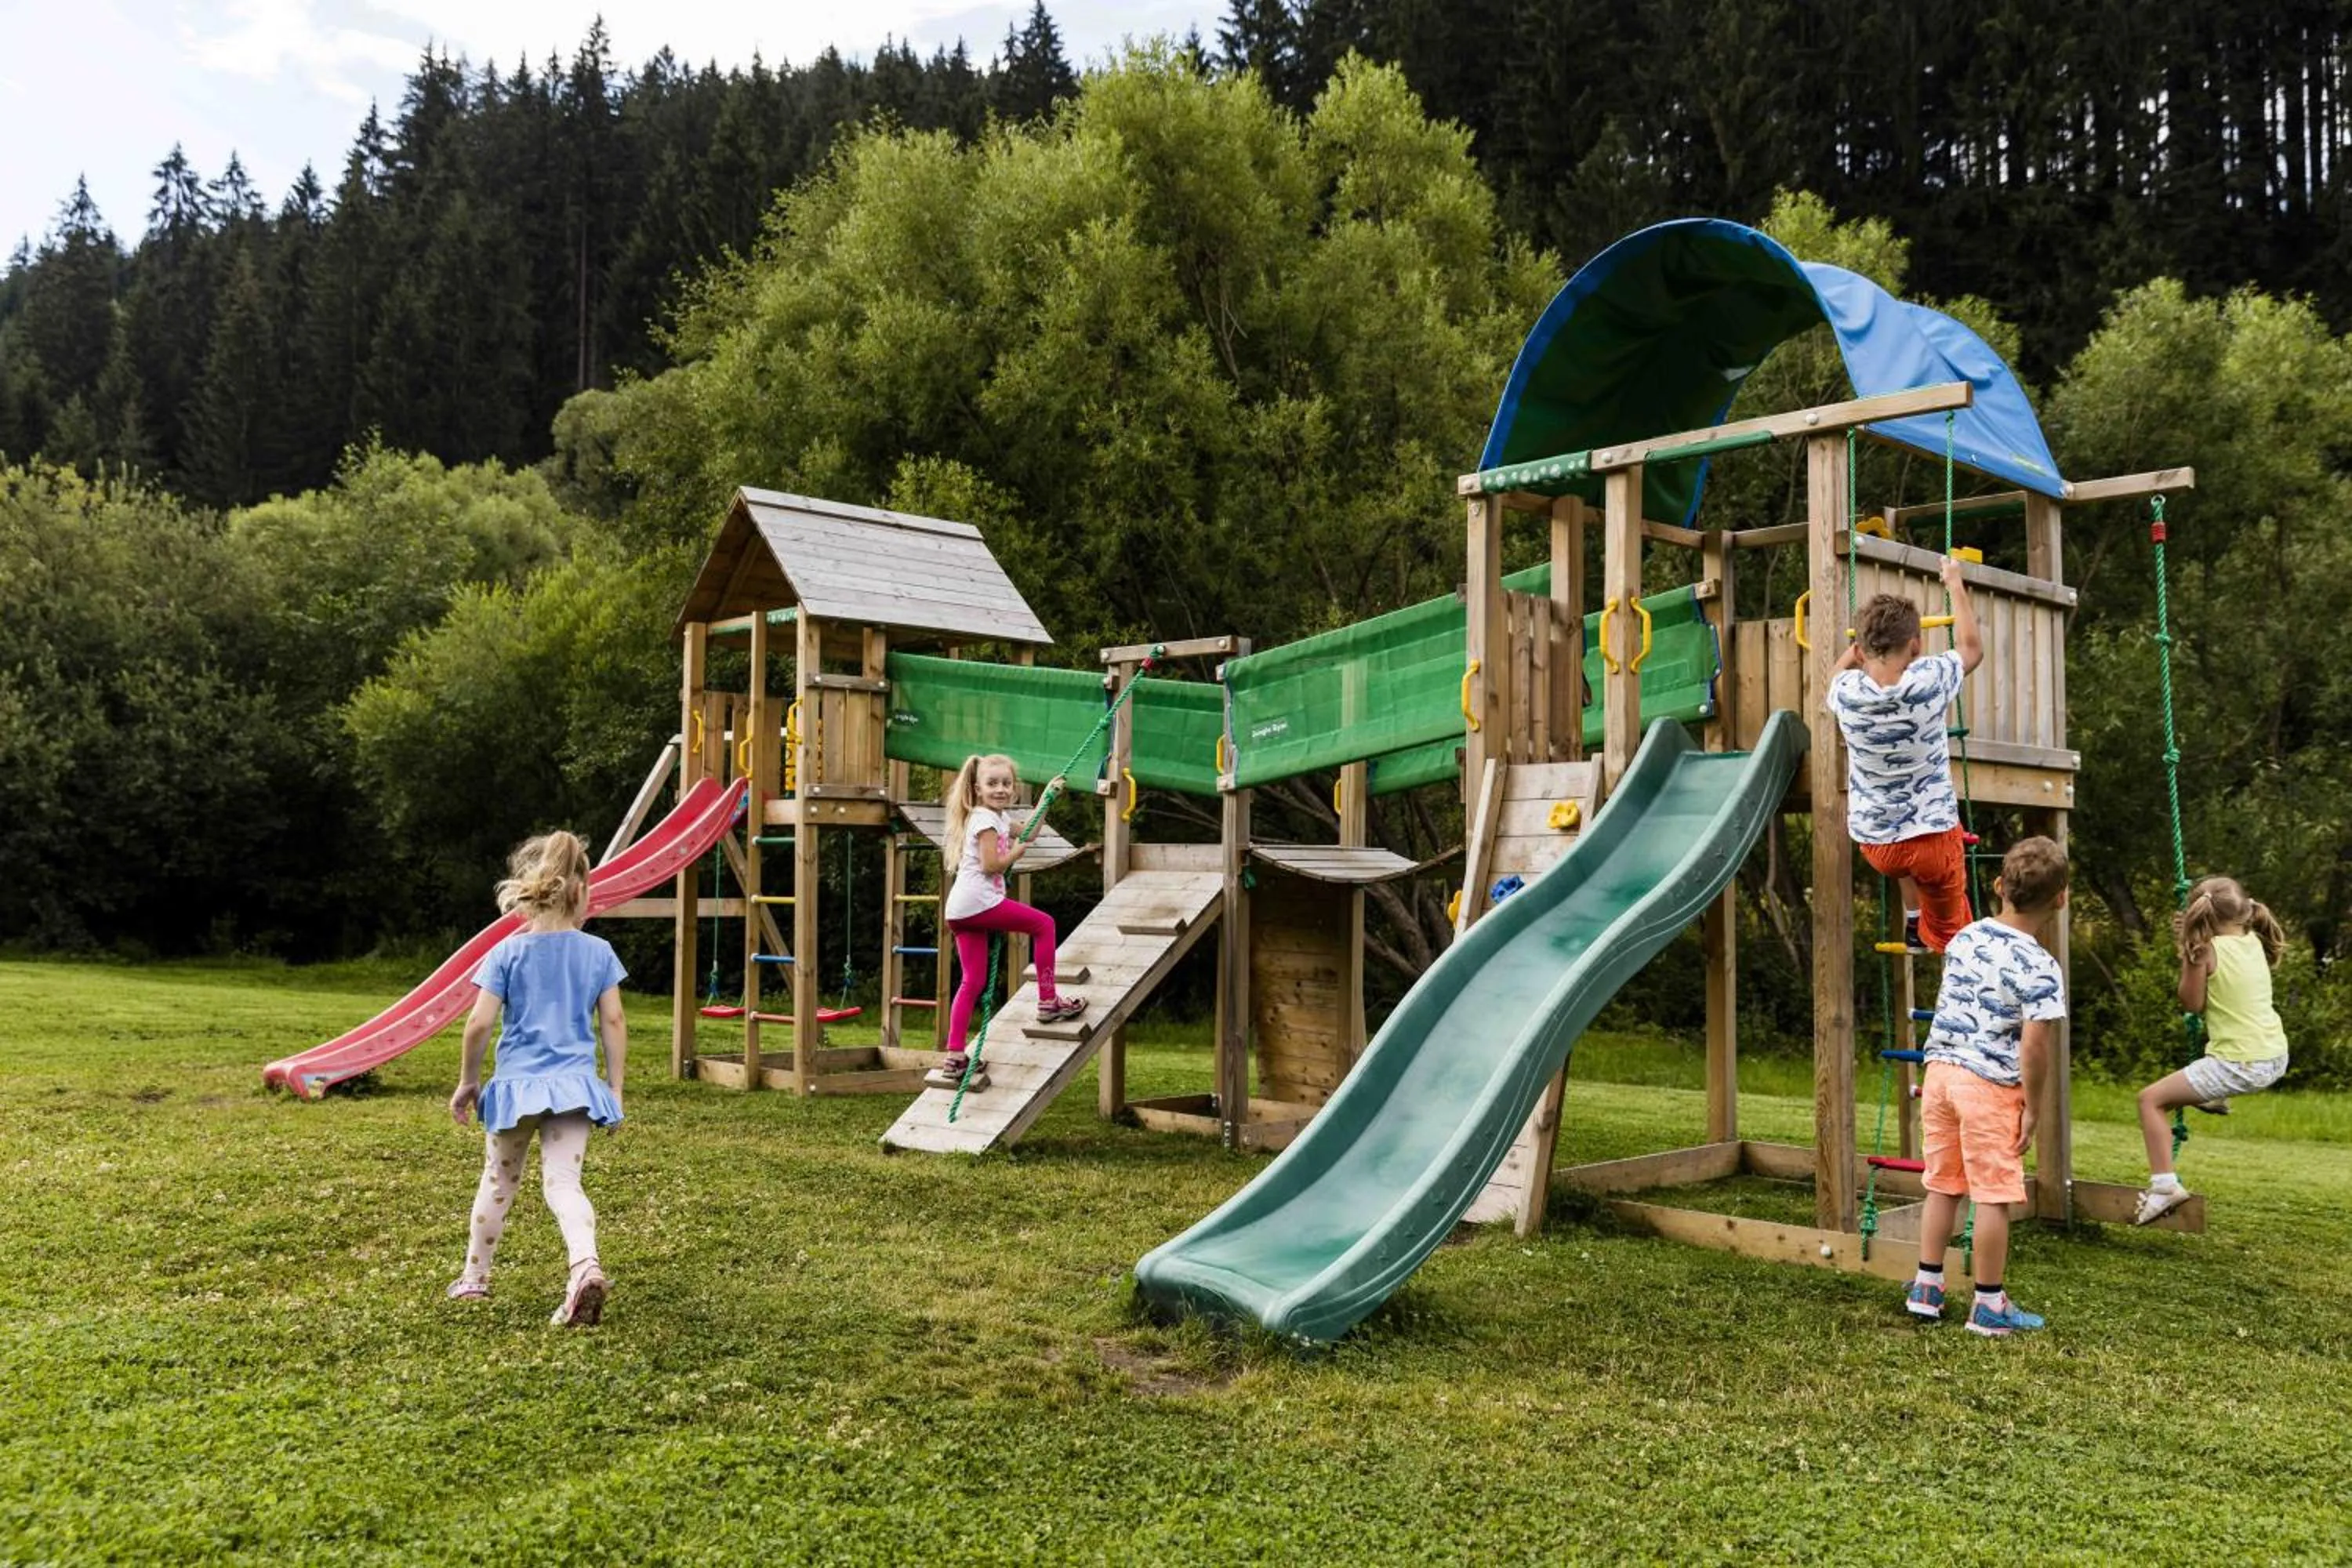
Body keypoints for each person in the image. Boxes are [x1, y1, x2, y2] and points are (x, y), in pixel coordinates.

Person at [445, 830, 626, 1327]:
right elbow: (613, 1022)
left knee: (499, 1180)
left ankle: (474, 1281)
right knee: (564, 1184)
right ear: (581, 891)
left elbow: (480, 1023)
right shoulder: (598, 952)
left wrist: (468, 1081)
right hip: (572, 1089)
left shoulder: (507, 953)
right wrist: (614, 1087)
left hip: (516, 1090)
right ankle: (584, 1266)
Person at [1904, 836, 2069, 1336]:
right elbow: (2035, 1048)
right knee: (1993, 1195)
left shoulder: (1967, 937)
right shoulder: (2042, 968)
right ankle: (1989, 1304)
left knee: (1942, 1184)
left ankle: (1927, 1289)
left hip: (1939, 1077)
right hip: (1989, 1088)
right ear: (2060, 900)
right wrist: (2033, 1107)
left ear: (1999, 886)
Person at [1828, 557, 1984, 953]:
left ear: (1862, 650)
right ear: (1914, 646)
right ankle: (1949, 960)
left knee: (1903, 856)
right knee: (1953, 935)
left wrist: (1856, 652)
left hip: (1877, 844)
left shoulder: (1847, 693)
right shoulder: (1928, 679)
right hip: (1932, 837)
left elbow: (1833, 675)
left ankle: (1915, 925)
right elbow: (1971, 649)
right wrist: (1954, 583)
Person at [2132, 876, 2291, 1225]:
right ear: (2246, 911)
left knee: (2150, 1101)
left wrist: (2189, 952)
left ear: (2199, 914)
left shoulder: (2205, 952)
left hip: (2240, 1064)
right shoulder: (2252, 941)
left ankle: (2164, 1188)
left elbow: (2191, 1003)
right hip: (2274, 1056)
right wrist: (2190, 938)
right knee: (2183, 1085)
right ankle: (2206, 1094)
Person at [925, 753, 1086, 1092]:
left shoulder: (994, 816)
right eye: (992, 784)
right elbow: (991, 866)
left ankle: (954, 1056)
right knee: (1045, 925)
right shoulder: (984, 820)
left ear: (1014, 788)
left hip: (961, 910)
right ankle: (1047, 1000)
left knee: (973, 980)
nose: (1000, 789)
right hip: (978, 903)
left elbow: (1029, 830)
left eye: (1006, 784)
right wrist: (1017, 852)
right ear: (977, 788)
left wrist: (1045, 800)